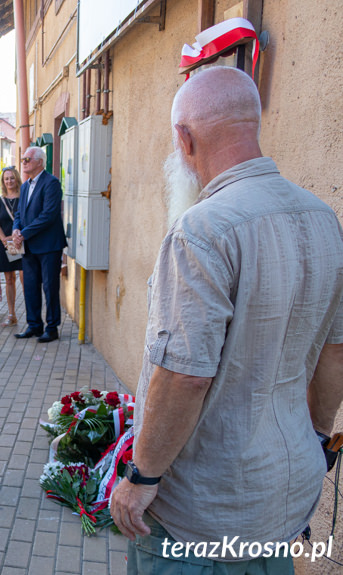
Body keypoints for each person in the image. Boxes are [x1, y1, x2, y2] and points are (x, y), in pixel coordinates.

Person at [109, 67, 343, 573]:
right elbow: (336, 349)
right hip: (286, 490)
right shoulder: (324, 218)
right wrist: (319, 437)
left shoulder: (201, 230)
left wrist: (141, 479)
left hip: (203, 510)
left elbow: (185, 376)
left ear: (184, 139)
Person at [12, 146, 66, 342]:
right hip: (29, 246)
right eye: (23, 159)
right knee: (30, 287)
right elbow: (19, 213)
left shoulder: (51, 183)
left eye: (27, 159)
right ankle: (34, 325)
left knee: (50, 288)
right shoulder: (25, 185)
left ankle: (52, 328)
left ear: (40, 162)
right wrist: (16, 230)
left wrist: (24, 234)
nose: (24, 162)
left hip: (49, 246)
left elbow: (48, 215)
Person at [0, 166, 23, 326]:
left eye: (12, 178)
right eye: (6, 179)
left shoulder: (24, 197)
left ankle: (31, 313)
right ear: (3, 181)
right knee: (9, 279)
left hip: (23, 241)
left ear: (16, 179)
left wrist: (15, 236)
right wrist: (4, 239)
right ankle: (12, 314)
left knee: (26, 278)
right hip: (6, 244)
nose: (9, 181)